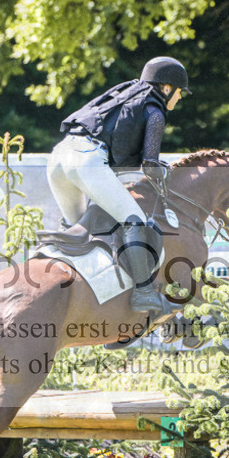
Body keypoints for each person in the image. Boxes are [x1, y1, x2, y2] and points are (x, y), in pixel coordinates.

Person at [47, 56, 190, 314]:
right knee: (134, 221)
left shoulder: (124, 96)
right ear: (166, 88)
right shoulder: (155, 112)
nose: (179, 99)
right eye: (179, 92)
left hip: (58, 157)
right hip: (86, 159)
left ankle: (69, 288)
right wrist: (166, 175)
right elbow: (149, 166)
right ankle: (144, 293)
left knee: (79, 233)